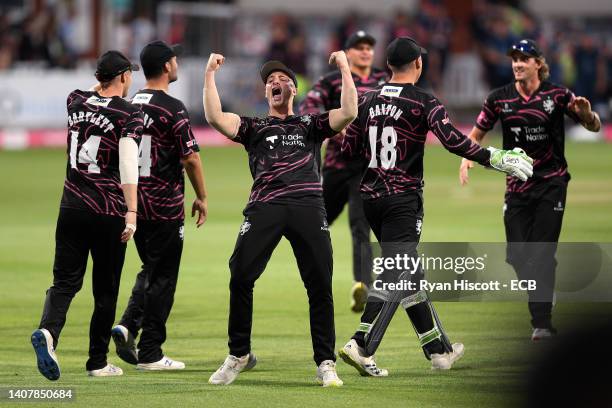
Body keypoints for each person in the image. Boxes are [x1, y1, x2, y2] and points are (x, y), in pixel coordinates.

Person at [338, 37, 534, 376]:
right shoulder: (423, 101)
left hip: (371, 198)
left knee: (409, 273)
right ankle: (362, 343)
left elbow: (349, 148)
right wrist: (495, 158)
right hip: (403, 200)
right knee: (397, 271)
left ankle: (439, 351)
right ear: (418, 64)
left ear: (387, 67)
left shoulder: (367, 100)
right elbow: (453, 140)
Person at [203, 51, 357, 386]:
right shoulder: (254, 127)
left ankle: (326, 362)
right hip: (264, 207)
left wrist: (345, 68)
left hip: (308, 206)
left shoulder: (309, 124)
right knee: (240, 274)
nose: (275, 82)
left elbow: (348, 112)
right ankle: (238, 354)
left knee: (319, 284)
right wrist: (209, 75)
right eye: (270, 81)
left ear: (294, 90)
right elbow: (215, 117)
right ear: (265, 93)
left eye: (282, 79)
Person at [459, 39, 601, 341]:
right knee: (517, 256)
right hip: (517, 186)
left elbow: (594, 127)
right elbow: (477, 133)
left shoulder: (558, 95)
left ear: (538, 63)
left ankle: (542, 322)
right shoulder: (499, 98)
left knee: (542, 253)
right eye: (514, 59)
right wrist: (466, 159)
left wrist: (587, 114)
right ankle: (543, 296)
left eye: (524, 58)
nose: (518, 63)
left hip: (552, 182)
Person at [31, 50, 142, 380]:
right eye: (128, 74)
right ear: (123, 76)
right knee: (105, 291)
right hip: (107, 211)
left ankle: (48, 333)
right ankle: (97, 362)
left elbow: (92, 96)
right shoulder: (129, 113)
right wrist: (132, 212)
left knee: (64, 282)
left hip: (71, 207)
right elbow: (127, 165)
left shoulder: (75, 100)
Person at [110, 41, 208, 370]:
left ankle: (127, 324)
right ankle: (151, 352)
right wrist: (202, 196)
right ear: (167, 66)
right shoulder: (172, 107)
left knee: (151, 268)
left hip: (133, 204)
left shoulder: (129, 104)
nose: (178, 62)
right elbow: (191, 157)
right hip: (164, 205)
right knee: (164, 276)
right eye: (175, 58)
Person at [300, 30, 388, 313]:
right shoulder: (331, 81)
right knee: (315, 221)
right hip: (338, 166)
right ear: (348, 53)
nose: (365, 52)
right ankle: (310, 269)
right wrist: (334, 126)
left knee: (360, 225)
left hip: (367, 166)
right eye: (359, 47)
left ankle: (362, 284)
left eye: (369, 48)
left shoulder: (383, 81)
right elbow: (309, 108)